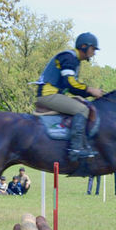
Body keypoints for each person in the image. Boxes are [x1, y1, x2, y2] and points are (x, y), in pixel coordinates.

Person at [34, 32, 104, 161]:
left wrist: (89, 93)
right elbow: (70, 84)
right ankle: (76, 149)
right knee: (82, 110)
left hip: (54, 94)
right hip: (48, 95)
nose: (94, 53)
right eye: (93, 49)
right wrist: (90, 90)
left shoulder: (74, 60)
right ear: (84, 46)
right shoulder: (69, 57)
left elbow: (73, 88)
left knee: (83, 104)